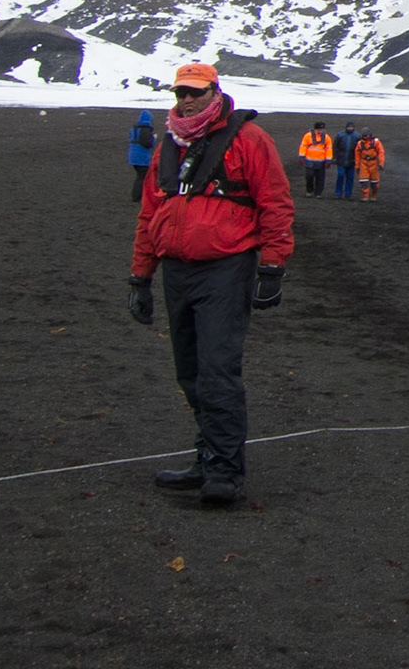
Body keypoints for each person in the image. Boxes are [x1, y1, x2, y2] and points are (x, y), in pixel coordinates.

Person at [127, 63, 295, 505]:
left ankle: (225, 470)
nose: (186, 99)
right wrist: (140, 277)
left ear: (215, 93)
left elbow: (275, 202)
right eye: (181, 91)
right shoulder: (170, 143)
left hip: (226, 267)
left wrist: (273, 267)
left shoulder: (249, 139)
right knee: (190, 372)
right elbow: (150, 214)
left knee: (218, 370)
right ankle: (208, 456)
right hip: (176, 269)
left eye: (195, 92)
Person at [296, 120, 333, 198]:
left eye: (322, 129)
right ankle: (309, 191)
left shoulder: (326, 137)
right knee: (309, 176)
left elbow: (329, 149)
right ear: (315, 129)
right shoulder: (307, 136)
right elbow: (303, 146)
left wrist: (328, 160)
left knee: (320, 178)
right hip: (310, 160)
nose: (320, 131)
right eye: (319, 129)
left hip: (321, 161)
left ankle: (318, 193)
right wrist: (301, 157)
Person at [126, 109, 156, 203]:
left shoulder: (134, 128)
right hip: (142, 157)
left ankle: (137, 196)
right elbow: (147, 143)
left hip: (133, 156)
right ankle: (138, 197)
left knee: (140, 176)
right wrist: (154, 139)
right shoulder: (145, 129)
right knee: (143, 177)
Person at [353, 128, 385, 200]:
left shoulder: (376, 142)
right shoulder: (359, 144)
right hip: (363, 163)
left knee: (375, 181)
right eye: (364, 136)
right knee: (363, 181)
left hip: (374, 163)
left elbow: (381, 153)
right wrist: (357, 166)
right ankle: (365, 196)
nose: (365, 137)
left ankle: (373, 195)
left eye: (366, 136)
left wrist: (381, 163)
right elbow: (357, 156)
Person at [332, 121, 360, 200]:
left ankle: (348, 194)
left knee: (350, 177)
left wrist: (358, 160)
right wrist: (334, 157)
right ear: (346, 127)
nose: (350, 128)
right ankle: (338, 193)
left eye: (351, 127)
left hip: (352, 160)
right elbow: (335, 147)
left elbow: (359, 149)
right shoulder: (340, 135)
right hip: (341, 159)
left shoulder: (357, 136)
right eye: (348, 127)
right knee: (340, 175)